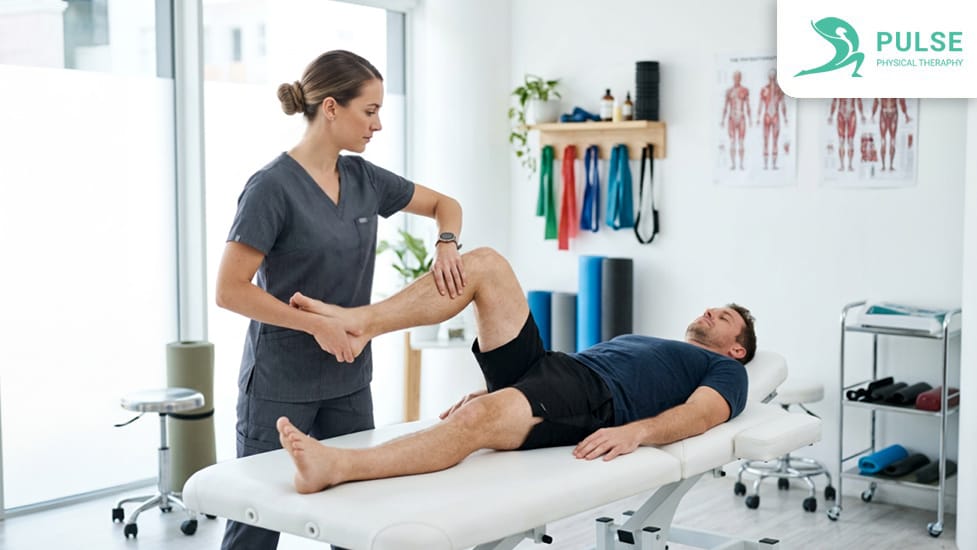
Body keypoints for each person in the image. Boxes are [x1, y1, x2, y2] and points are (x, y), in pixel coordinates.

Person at [215, 50, 465, 550]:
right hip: (279, 384)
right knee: (256, 526)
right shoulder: (271, 188)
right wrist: (315, 325)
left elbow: (445, 205)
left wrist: (447, 244)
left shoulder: (364, 179)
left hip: (349, 380)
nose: (378, 124)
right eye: (368, 111)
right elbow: (229, 290)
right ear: (331, 108)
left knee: (356, 517)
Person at [278, 247, 755, 493]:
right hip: (555, 369)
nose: (710, 312)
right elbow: (560, 375)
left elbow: (700, 416)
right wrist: (507, 387)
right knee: (485, 263)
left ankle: (336, 467)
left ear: (736, 349)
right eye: (713, 307)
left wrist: (636, 433)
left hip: (592, 399)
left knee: (473, 423)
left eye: (725, 318)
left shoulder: (727, 372)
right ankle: (362, 322)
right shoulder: (659, 344)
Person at [756, 68, 788, 170]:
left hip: (775, 116)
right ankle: (766, 164)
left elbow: (783, 104)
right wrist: (758, 116)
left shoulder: (779, 90)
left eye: (773, 76)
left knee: (774, 141)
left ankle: (773, 164)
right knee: (766, 140)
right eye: (771, 76)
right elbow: (760, 104)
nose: (772, 78)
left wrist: (785, 117)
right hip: (767, 115)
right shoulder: (764, 89)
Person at [721, 70, 751, 171]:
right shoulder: (729, 91)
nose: (737, 79)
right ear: (733, 78)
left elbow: (747, 105)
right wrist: (722, 119)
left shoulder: (745, 90)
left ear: (741, 78)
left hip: (741, 117)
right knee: (733, 141)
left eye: (738, 77)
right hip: (731, 118)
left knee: (741, 142)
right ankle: (733, 164)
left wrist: (750, 119)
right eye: (735, 77)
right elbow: (725, 106)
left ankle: (741, 164)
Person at [872, 98, 911, 171]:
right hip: (884, 113)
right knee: (883, 141)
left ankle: (891, 165)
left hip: (893, 113)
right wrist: (873, 114)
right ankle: (883, 166)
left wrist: (906, 115)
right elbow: (876, 100)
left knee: (892, 141)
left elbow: (901, 100)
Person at [828, 98, 865, 172]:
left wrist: (862, 114)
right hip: (841, 113)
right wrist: (831, 115)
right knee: (841, 141)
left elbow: (859, 100)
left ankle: (850, 165)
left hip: (852, 113)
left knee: (850, 141)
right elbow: (835, 101)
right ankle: (842, 165)